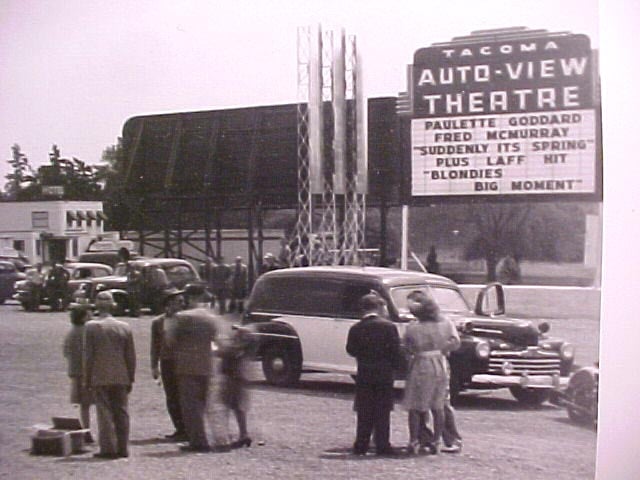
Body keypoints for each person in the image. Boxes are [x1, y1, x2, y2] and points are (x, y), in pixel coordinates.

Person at [403, 290, 460, 455]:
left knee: (415, 405)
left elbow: (407, 346)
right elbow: (455, 342)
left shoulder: (413, 327)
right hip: (440, 362)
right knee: (439, 404)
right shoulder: (446, 323)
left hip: (422, 362)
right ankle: (436, 440)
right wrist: (443, 349)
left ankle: (414, 440)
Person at [346, 292, 402, 456]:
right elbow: (395, 351)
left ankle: (361, 444)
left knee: (364, 410)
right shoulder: (389, 327)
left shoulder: (356, 328)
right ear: (378, 307)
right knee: (383, 410)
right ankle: (382, 444)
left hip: (364, 371)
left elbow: (351, 349)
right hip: (384, 372)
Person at [83, 291, 136, 459]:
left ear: (96, 304)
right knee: (121, 411)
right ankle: (123, 447)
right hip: (121, 375)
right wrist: (130, 377)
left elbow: (88, 356)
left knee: (104, 412)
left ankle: (108, 448)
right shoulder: (124, 326)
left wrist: (86, 378)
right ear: (113, 304)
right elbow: (131, 356)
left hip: (100, 374)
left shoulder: (91, 326)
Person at [168, 283, 220, 452]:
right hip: (206, 363)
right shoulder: (211, 317)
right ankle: (206, 437)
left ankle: (198, 441)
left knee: (190, 405)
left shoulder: (181, 317)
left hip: (186, 364)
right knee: (203, 402)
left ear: (189, 298)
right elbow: (217, 339)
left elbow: (170, 341)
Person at [150, 289, 186, 441]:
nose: (182, 304)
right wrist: (154, 366)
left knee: (185, 395)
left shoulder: (185, 320)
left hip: (184, 362)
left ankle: (188, 427)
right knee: (171, 396)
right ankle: (179, 428)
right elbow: (155, 345)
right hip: (167, 362)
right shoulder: (158, 322)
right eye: (179, 301)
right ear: (169, 304)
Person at [217, 324, 256, 448]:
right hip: (239, 377)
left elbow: (226, 352)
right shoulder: (245, 350)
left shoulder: (237, 349)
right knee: (238, 407)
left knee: (227, 406)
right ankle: (243, 434)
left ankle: (228, 436)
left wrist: (218, 346)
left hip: (233, 377)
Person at [63, 302, 95, 443]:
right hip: (89, 372)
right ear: (83, 318)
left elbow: (65, 352)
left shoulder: (71, 332)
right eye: (89, 314)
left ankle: (86, 429)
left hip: (75, 372)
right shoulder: (87, 332)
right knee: (99, 403)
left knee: (84, 405)